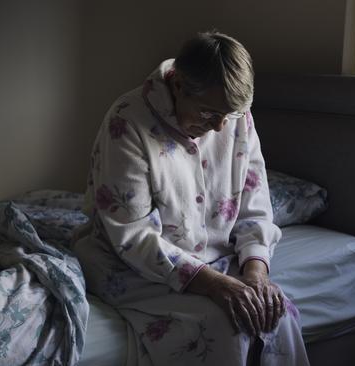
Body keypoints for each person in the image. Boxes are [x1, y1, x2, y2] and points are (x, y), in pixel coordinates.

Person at [73, 31, 309, 365]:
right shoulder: (128, 121)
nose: (219, 127)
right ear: (178, 84)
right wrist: (213, 285)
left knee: (276, 315)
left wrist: (255, 275)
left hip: (216, 262)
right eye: (208, 114)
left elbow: (253, 208)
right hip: (133, 267)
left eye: (231, 116)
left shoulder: (233, 116)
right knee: (220, 328)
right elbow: (133, 236)